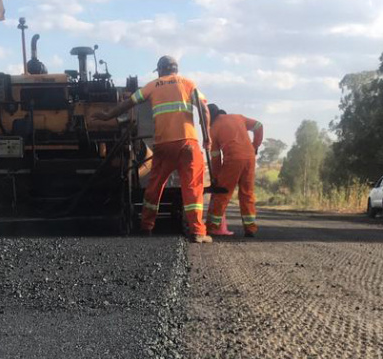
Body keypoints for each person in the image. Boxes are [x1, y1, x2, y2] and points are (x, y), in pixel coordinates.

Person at [92, 55, 212, 243]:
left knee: (154, 187)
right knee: (192, 189)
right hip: (188, 144)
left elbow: (128, 103)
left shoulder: (152, 86)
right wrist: (207, 137)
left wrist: (107, 116)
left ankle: (146, 227)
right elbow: (204, 110)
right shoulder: (189, 84)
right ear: (175, 69)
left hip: (163, 145)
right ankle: (197, 232)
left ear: (161, 70)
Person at [206, 105, 263, 237]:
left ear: (210, 117)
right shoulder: (239, 117)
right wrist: (255, 146)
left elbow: (215, 158)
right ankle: (250, 229)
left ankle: (212, 227)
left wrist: (216, 177)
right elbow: (259, 125)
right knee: (247, 193)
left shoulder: (213, 130)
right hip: (250, 159)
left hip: (233, 160)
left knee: (222, 193)